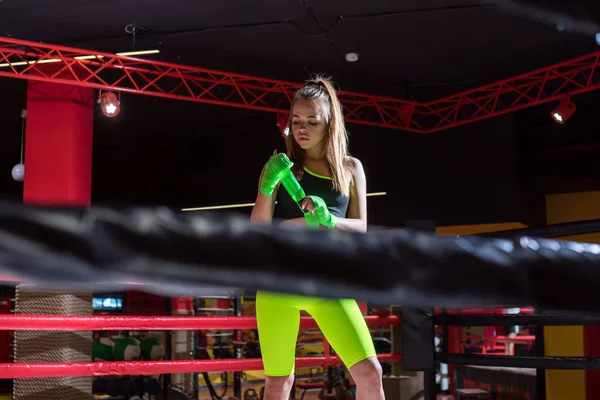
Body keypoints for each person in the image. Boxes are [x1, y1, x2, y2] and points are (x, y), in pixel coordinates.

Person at [250, 75, 384, 400]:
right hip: (279, 283)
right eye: (296, 120)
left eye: (312, 120)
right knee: (278, 382)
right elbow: (257, 233)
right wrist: (267, 189)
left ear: (330, 123)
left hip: (327, 281)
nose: (302, 128)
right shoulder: (281, 168)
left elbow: (361, 230)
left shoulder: (351, 169)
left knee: (370, 373)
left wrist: (329, 220)